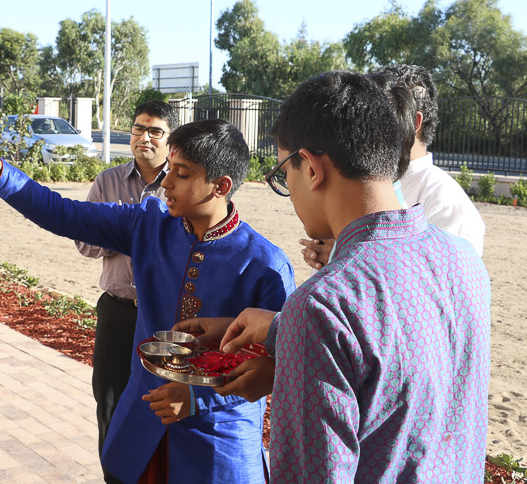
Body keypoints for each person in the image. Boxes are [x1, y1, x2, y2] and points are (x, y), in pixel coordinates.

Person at [184, 71, 491, 483]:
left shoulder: (321, 304)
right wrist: (280, 330)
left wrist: (292, 327)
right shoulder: (462, 259)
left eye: (283, 175)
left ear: (310, 167)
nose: (288, 190)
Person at [0, 114, 295, 483]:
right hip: (140, 428)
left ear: (220, 185)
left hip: (217, 445)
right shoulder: (149, 223)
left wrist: (198, 399)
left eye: (181, 174)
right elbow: (63, 213)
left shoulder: (265, 264)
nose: (165, 182)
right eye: (170, 169)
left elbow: (278, 367)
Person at [74, 100, 177, 482]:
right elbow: (84, 244)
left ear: (170, 139)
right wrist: (122, 232)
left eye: (155, 131)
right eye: (138, 128)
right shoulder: (107, 181)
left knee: (162, 401)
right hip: (118, 310)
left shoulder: (181, 181)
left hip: (166, 314)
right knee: (110, 400)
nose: (144, 137)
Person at [299, 63, 485, 269]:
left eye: (381, 112)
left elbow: (436, 285)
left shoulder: (446, 202)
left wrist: (343, 257)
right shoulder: (362, 178)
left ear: (414, 122)